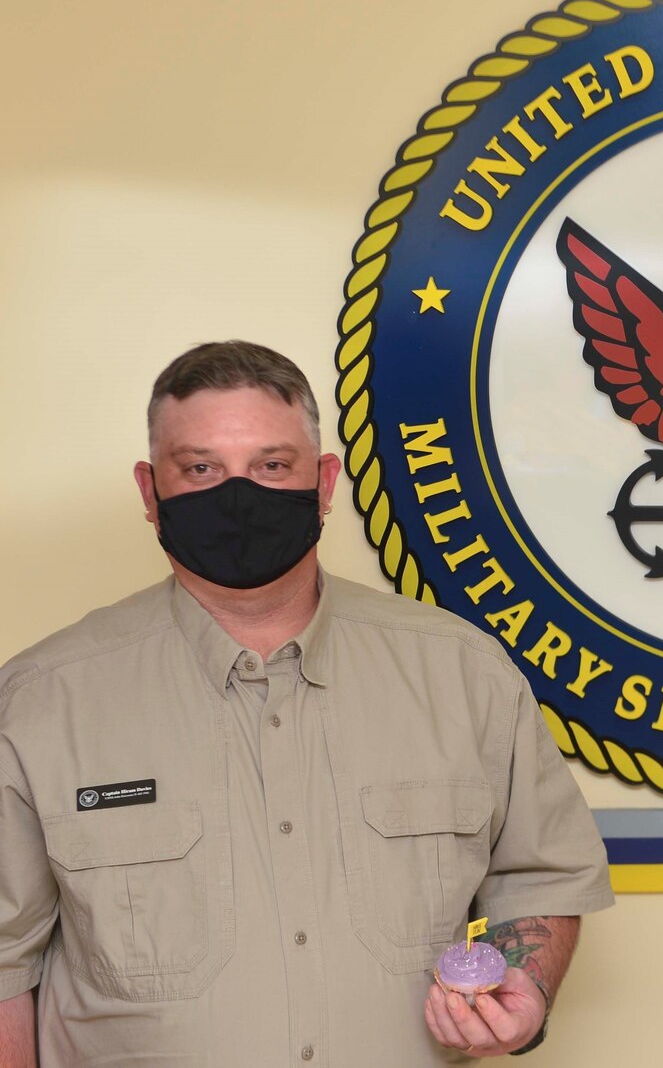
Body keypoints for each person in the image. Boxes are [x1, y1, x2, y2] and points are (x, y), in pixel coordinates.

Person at [0, 342, 614, 1066]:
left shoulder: (463, 673)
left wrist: (526, 991)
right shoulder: (44, 699)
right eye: (200, 468)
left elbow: (542, 873)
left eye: (271, 466)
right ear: (149, 490)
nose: (238, 497)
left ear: (323, 484)